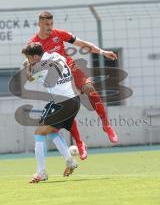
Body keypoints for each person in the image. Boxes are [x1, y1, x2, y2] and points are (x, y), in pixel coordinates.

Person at [27, 11, 119, 156]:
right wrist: (30, 68)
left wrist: (102, 52)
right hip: (56, 77)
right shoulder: (34, 43)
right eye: (46, 25)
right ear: (39, 24)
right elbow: (31, 63)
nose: (49, 27)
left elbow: (82, 44)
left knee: (90, 88)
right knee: (68, 105)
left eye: (51, 24)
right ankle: (80, 143)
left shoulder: (59, 34)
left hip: (71, 67)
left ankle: (106, 125)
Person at [22, 42, 80, 183]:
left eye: (29, 58)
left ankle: (41, 172)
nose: (28, 60)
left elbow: (29, 77)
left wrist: (27, 66)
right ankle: (70, 161)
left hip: (62, 104)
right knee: (52, 131)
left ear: (35, 57)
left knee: (39, 133)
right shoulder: (57, 55)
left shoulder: (39, 67)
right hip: (73, 101)